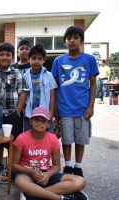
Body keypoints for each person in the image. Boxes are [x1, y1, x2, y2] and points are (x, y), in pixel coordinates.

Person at [51, 26, 99, 177]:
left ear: (82, 42)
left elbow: (93, 84)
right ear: (65, 42)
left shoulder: (89, 60)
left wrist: (91, 107)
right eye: (69, 38)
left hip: (82, 108)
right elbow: (55, 86)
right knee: (66, 139)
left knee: (80, 139)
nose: (72, 41)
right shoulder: (58, 61)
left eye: (76, 38)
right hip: (64, 107)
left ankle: (78, 166)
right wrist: (55, 112)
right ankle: (68, 165)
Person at [13, 107, 88, 200]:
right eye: (36, 120)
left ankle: (36, 194)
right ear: (31, 122)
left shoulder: (53, 139)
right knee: (20, 182)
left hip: (46, 174)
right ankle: (59, 198)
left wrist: (47, 175)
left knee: (80, 181)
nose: (39, 123)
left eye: (43, 121)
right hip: (27, 174)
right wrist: (31, 172)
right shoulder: (21, 138)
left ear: (48, 124)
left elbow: (56, 166)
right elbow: (14, 165)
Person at [0, 42, 27, 184]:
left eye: (8, 55)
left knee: (13, 142)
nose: (4, 57)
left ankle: (12, 168)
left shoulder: (17, 73)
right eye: (1, 54)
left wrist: (18, 111)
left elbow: (23, 93)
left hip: (13, 114)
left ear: (12, 57)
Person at [23, 44, 57, 132]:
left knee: (46, 139)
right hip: (29, 114)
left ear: (44, 60)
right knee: (29, 138)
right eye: (34, 58)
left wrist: (51, 114)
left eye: (40, 59)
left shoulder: (49, 75)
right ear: (28, 59)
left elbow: (52, 95)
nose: (36, 61)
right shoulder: (24, 77)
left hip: (45, 114)